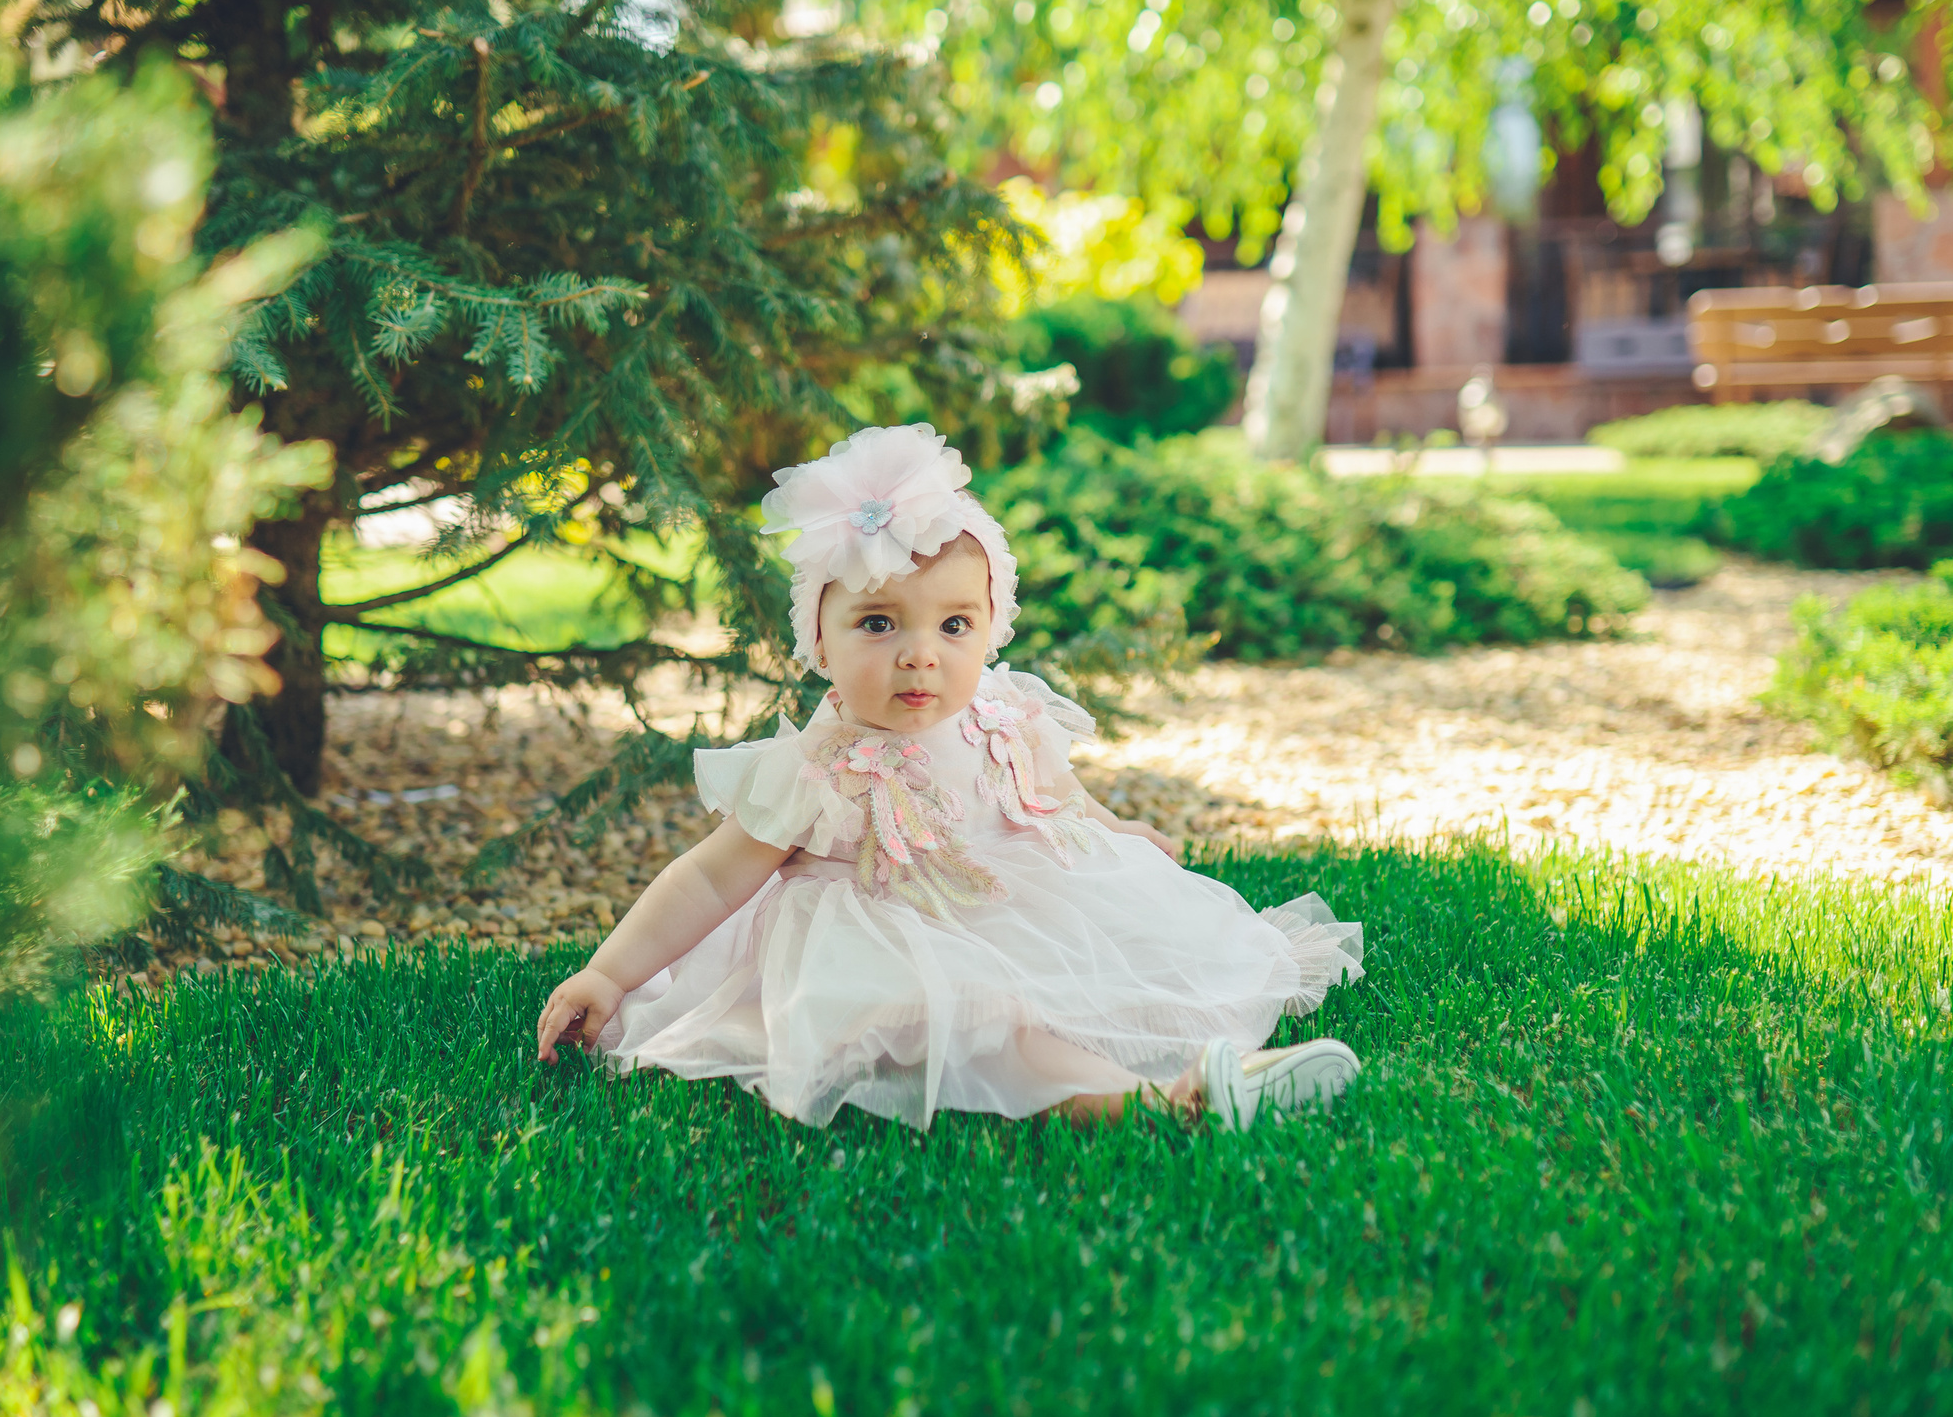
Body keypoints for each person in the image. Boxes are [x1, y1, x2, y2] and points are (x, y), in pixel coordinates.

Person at [533, 423, 1363, 1130]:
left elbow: (1048, 792)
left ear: (990, 627)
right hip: (881, 948)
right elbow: (708, 881)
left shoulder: (999, 709)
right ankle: (1162, 1101)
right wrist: (609, 972)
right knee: (983, 1021)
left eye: (955, 624)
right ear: (819, 639)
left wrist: (1115, 831)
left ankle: (1204, 1068)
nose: (920, 653)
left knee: (1119, 966)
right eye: (878, 623)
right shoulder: (819, 769)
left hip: (1015, 909)